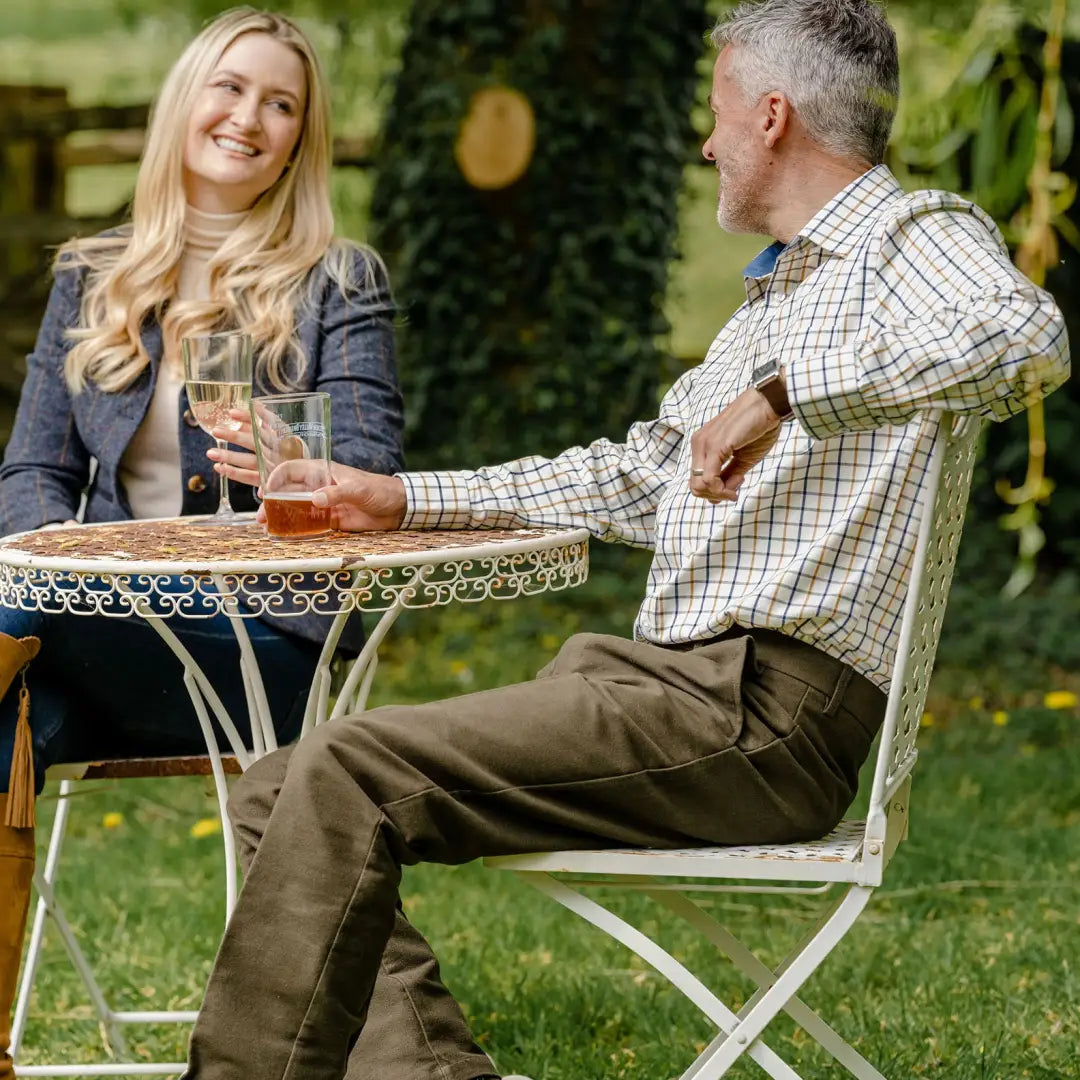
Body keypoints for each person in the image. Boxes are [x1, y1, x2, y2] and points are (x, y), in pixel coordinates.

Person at [182, 1, 1070, 1078]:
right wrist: (398, 499)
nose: (707, 141)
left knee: (344, 772)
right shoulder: (775, 299)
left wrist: (782, 399)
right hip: (674, 691)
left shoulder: (907, 237)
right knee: (283, 782)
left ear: (774, 116)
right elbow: (629, 476)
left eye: (718, 108)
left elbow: (1026, 336)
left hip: (759, 711)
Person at [0, 9, 403, 1079]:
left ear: (301, 138)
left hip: (256, 650)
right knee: (4, 706)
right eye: (232, 88)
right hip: (87, 638)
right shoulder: (93, 278)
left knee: (8, 649)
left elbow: (366, 472)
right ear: (187, 102)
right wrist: (48, 564)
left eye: (283, 103)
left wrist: (288, 457)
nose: (251, 118)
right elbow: (32, 475)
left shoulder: (338, 282)